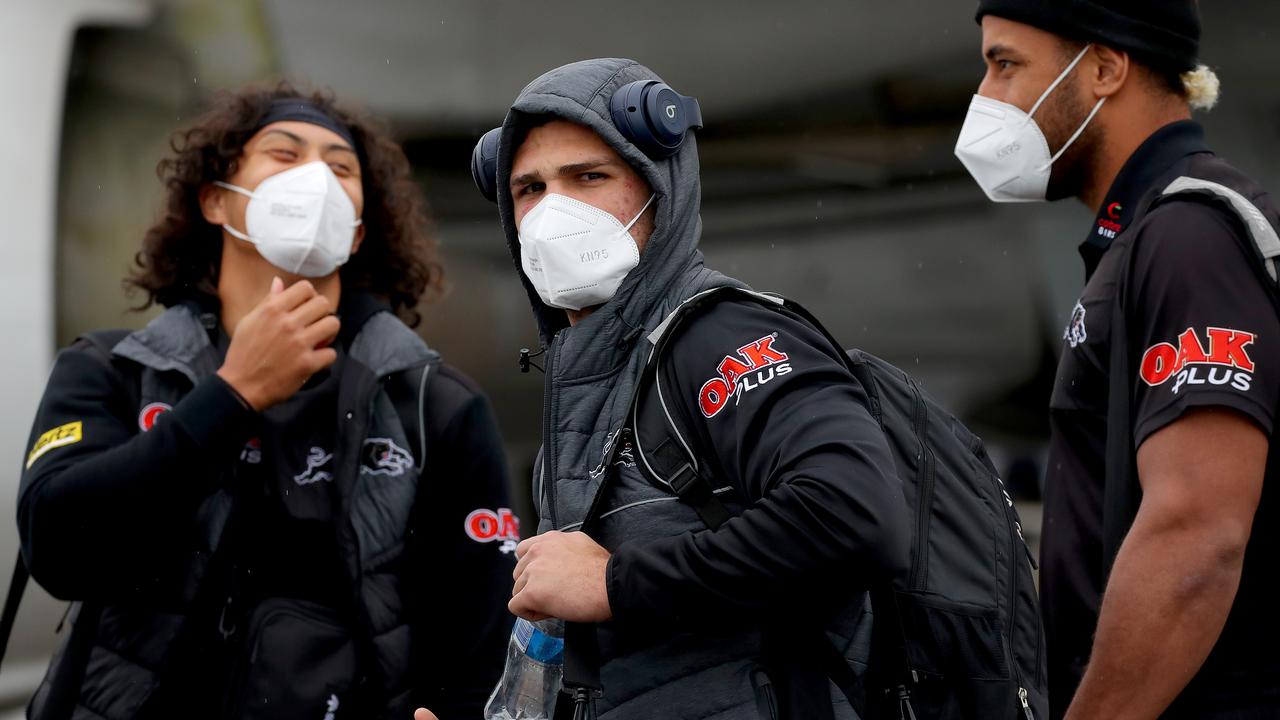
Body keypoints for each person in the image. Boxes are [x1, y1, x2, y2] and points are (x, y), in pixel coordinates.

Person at [421, 58, 911, 720]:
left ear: (662, 190)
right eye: (530, 188)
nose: (553, 211)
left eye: (588, 177)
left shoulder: (720, 337)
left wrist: (613, 584)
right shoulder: (587, 381)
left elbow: (855, 515)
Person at [18, 80, 515, 719]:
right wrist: (232, 395)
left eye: (341, 170)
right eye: (284, 154)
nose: (317, 181)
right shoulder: (114, 370)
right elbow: (59, 551)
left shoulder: (434, 404)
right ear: (217, 202)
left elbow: (480, 643)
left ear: (358, 232)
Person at [958, 2, 1280, 717]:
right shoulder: (1140, 243)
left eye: (1006, 64)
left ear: (1105, 68)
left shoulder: (1190, 238)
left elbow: (1197, 534)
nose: (985, 98)